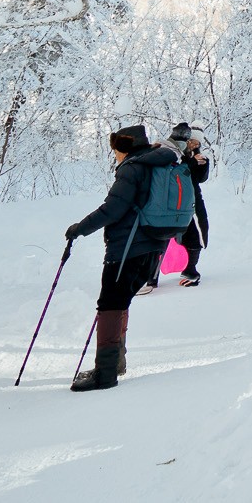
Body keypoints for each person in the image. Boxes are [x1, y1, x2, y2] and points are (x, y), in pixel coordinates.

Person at [63, 123, 191, 392]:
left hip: (126, 248)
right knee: (121, 302)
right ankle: (116, 363)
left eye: (116, 150)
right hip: (154, 247)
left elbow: (112, 209)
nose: (115, 156)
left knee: (109, 304)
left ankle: (105, 374)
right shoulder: (159, 162)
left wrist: (79, 229)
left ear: (123, 147)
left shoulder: (133, 169)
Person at [172, 124, 210, 287]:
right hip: (179, 202)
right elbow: (178, 173)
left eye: (197, 143)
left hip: (195, 198)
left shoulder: (197, 154)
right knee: (178, 235)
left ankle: (190, 269)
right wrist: (192, 163)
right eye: (192, 141)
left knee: (200, 232)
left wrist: (204, 165)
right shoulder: (176, 154)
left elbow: (200, 179)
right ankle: (154, 275)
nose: (195, 145)